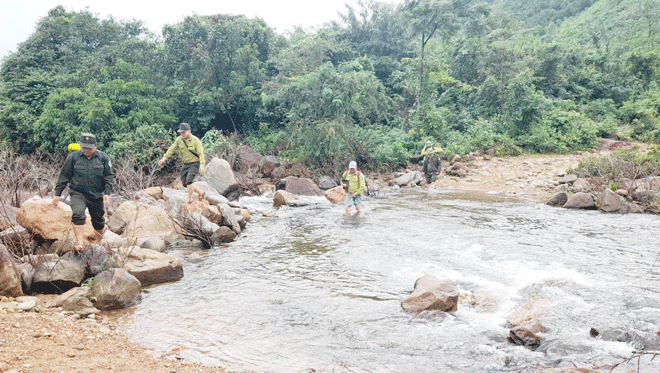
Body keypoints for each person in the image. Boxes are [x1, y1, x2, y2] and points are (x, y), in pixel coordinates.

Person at [53, 133, 114, 251]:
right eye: (84, 147)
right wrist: (57, 194)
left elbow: (108, 176)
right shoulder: (73, 157)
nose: (86, 150)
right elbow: (64, 176)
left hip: (96, 194)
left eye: (89, 148)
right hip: (78, 193)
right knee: (78, 214)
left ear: (95, 146)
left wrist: (107, 193)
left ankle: (98, 241)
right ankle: (79, 243)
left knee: (98, 220)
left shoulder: (103, 158)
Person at [158, 122, 207, 203]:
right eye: (181, 132)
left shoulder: (196, 141)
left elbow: (201, 154)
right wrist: (164, 158)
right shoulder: (179, 140)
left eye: (184, 132)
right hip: (185, 163)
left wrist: (202, 166)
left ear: (189, 131)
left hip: (194, 163)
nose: (182, 134)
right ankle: (200, 192)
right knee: (184, 183)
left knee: (189, 180)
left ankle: (190, 198)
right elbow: (172, 149)